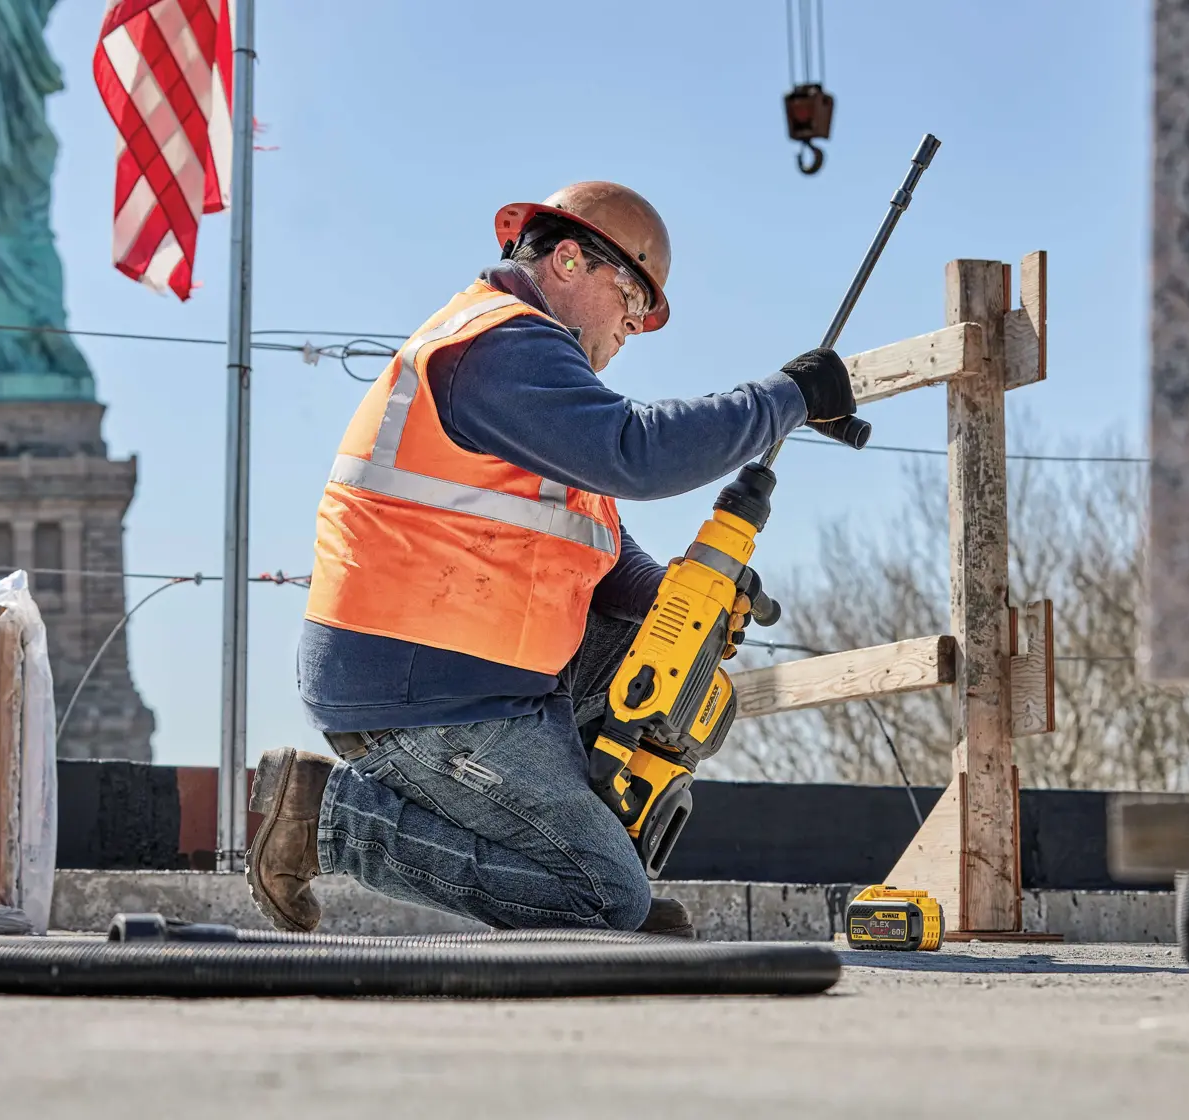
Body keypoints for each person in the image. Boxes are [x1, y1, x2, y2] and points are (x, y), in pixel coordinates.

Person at [249, 182, 856, 935]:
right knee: (606, 901)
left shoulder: (539, 374)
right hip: (422, 688)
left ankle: (585, 857)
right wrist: (785, 397)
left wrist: (680, 595)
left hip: (474, 668)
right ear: (569, 259)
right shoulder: (499, 345)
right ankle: (327, 817)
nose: (638, 322)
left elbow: (596, 553)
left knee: (681, 670)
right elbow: (636, 455)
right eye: (635, 292)